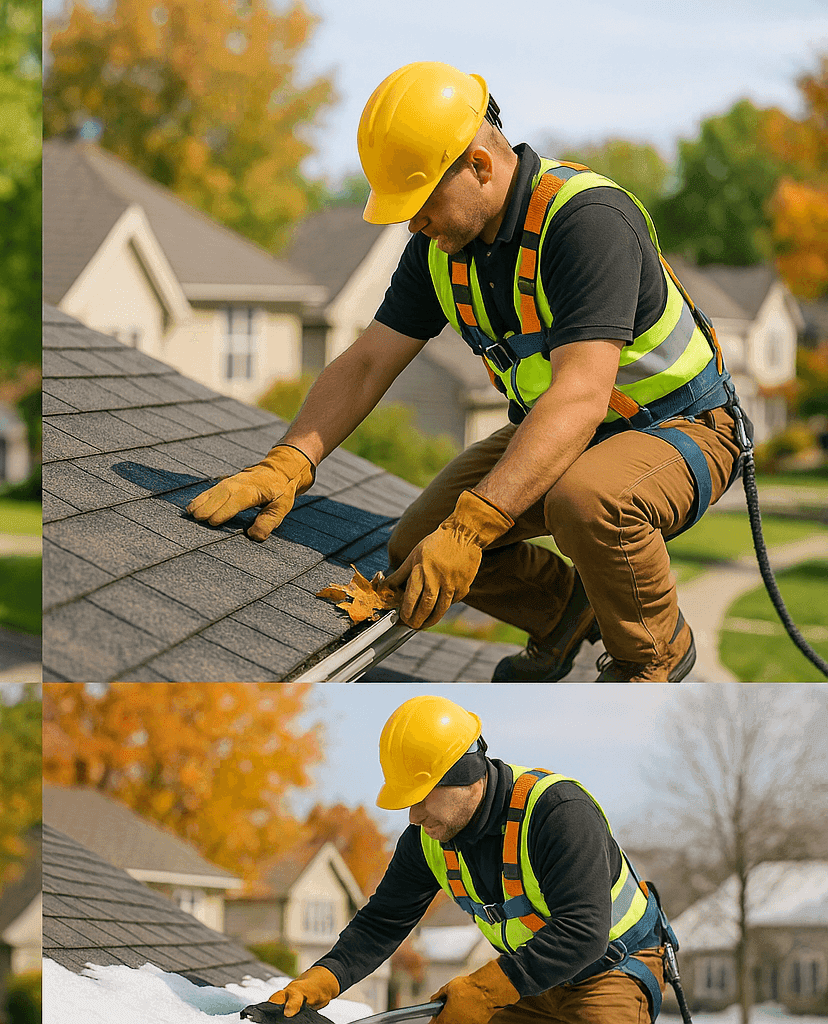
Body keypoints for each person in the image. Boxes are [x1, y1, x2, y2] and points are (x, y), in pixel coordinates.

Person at [186, 61, 747, 681]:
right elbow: (369, 359)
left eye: (421, 203)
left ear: (480, 165)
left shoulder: (585, 222)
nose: (412, 222)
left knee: (587, 501)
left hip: (682, 429)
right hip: (567, 428)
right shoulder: (439, 249)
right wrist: (289, 460)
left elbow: (582, 393)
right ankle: (566, 613)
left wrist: (474, 526)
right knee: (415, 544)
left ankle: (655, 655)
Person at [269, 695, 671, 1024]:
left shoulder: (559, 813)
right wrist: (323, 977)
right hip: (532, 978)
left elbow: (583, 932)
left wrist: (482, 990)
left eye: (422, 796)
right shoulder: (427, 839)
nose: (413, 816)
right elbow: (381, 924)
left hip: (612, 969)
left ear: (465, 775)